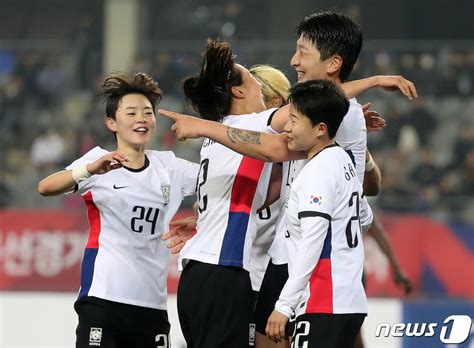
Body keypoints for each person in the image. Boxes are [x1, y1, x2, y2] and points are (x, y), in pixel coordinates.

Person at [37, 72, 199, 348]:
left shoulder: (169, 166)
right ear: (111, 123)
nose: (141, 119)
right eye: (132, 112)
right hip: (103, 297)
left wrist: (199, 215)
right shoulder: (97, 162)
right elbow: (45, 187)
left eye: (148, 112)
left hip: (152, 302)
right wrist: (89, 169)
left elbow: (216, 183)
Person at [266, 79, 373, 346]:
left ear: (320, 129)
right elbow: (366, 217)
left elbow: (312, 241)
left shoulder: (317, 172)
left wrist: (284, 305)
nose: (286, 128)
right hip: (350, 300)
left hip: (323, 300)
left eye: (294, 120)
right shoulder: (342, 162)